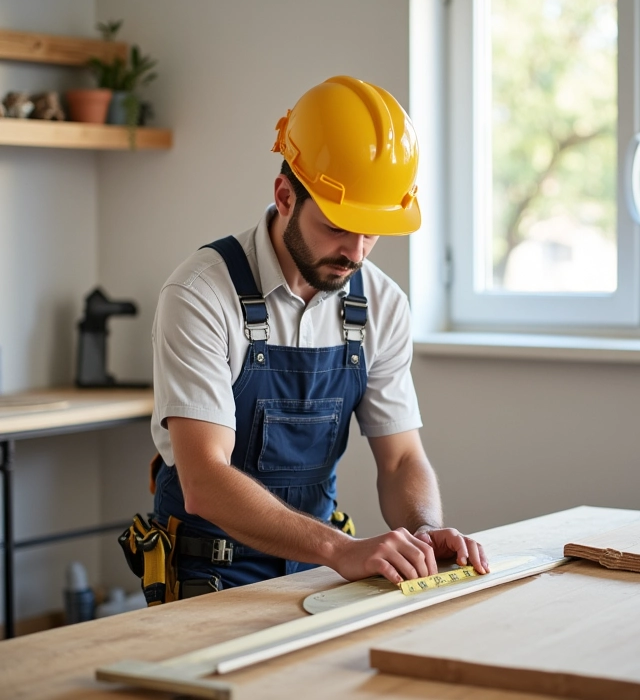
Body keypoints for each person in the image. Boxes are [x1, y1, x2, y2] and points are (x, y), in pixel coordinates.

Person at [149, 75, 487, 599]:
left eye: (371, 230)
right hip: (210, 573)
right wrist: (339, 549)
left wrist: (423, 529)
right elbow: (204, 482)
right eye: (337, 226)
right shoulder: (200, 294)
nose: (356, 252)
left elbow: (400, 459)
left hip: (318, 569)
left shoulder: (383, 304)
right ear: (285, 196)